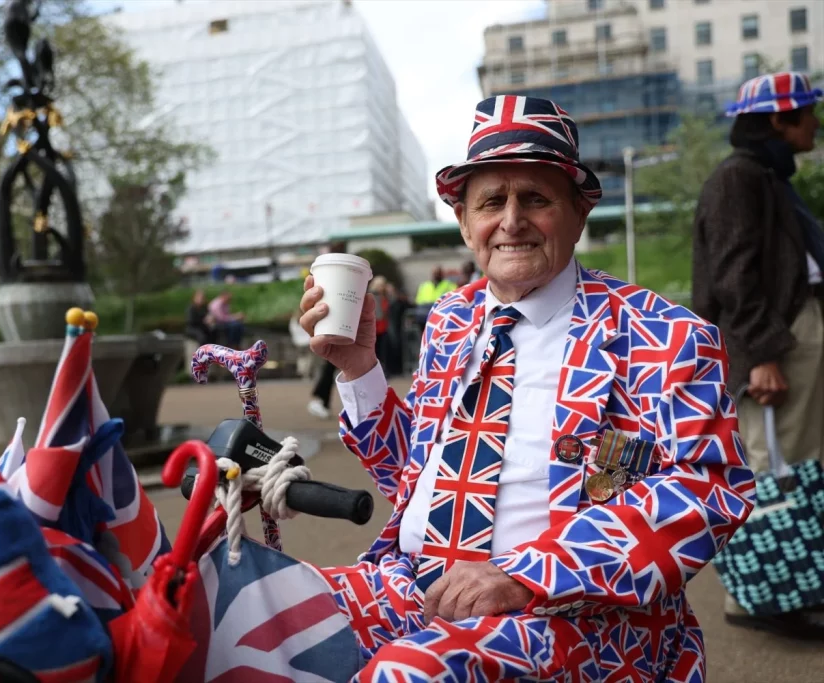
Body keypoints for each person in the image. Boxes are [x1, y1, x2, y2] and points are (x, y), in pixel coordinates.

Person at [299, 95, 754, 680]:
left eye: (535, 199)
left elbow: (707, 489)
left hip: (572, 616)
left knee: (408, 673)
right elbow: (411, 482)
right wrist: (360, 368)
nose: (511, 221)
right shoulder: (449, 320)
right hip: (408, 585)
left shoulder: (665, 334)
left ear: (579, 213)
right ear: (465, 222)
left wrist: (526, 575)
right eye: (491, 201)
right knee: (250, 610)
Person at [692, 72, 824, 638]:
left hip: (790, 336)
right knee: (777, 471)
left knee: (799, 467)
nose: (815, 121)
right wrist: (760, 355)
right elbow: (732, 275)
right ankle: (762, 597)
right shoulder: (739, 178)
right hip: (778, 345)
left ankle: (783, 587)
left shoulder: (767, 176)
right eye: (806, 112)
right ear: (778, 119)